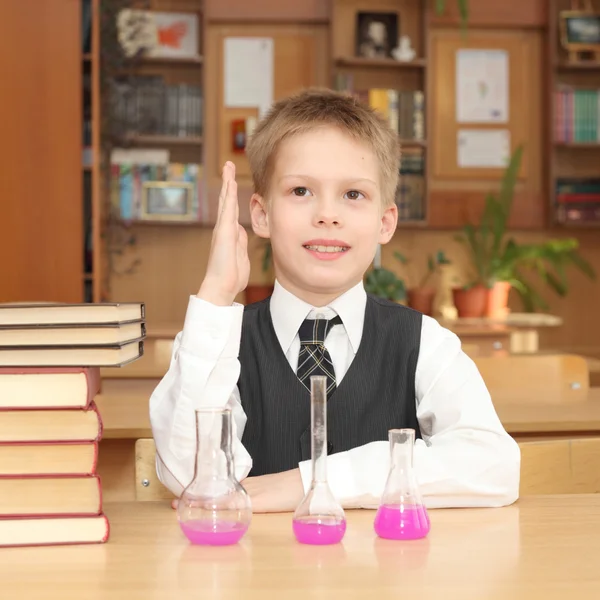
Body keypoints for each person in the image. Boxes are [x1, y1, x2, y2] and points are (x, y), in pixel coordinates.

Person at [149, 88, 521, 512]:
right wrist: (215, 294)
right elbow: (190, 476)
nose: (328, 214)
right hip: (254, 574)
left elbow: (494, 464)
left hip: (391, 575)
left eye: (353, 195)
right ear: (261, 215)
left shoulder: (423, 341)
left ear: (385, 222)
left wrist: (310, 483)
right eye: (301, 191)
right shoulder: (220, 339)